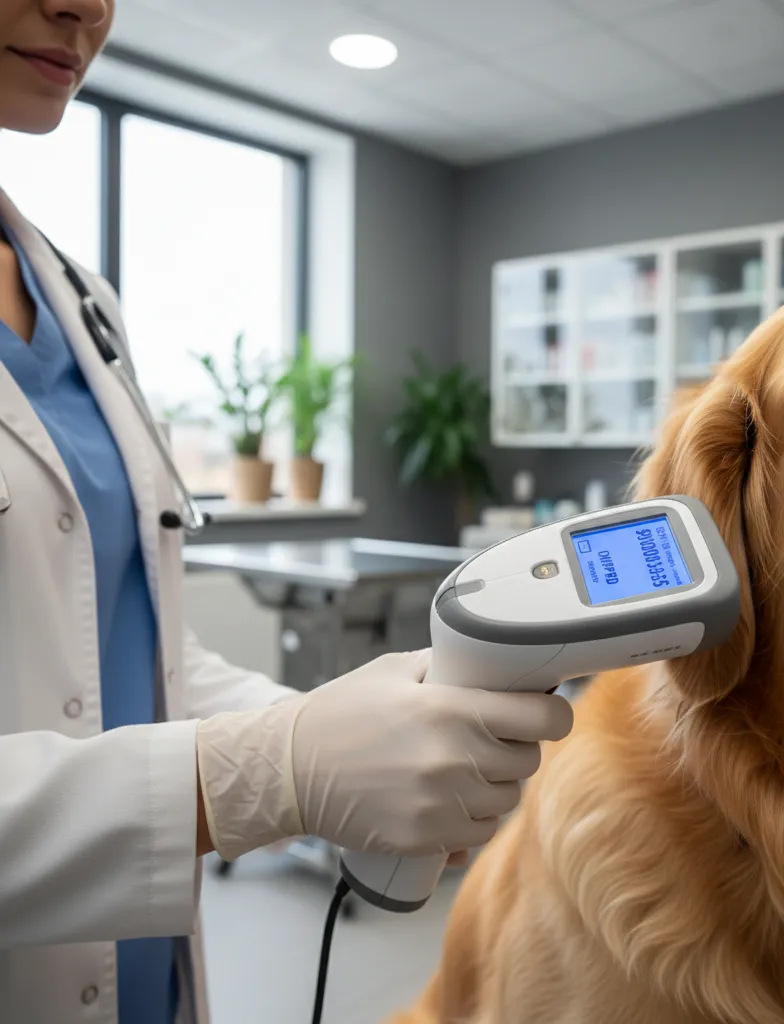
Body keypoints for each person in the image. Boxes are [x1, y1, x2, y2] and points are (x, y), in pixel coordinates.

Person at [0, 3, 574, 1022]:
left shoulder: (83, 301)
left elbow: (138, 648)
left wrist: (336, 743)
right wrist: (272, 772)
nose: (84, 7)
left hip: (146, 980)